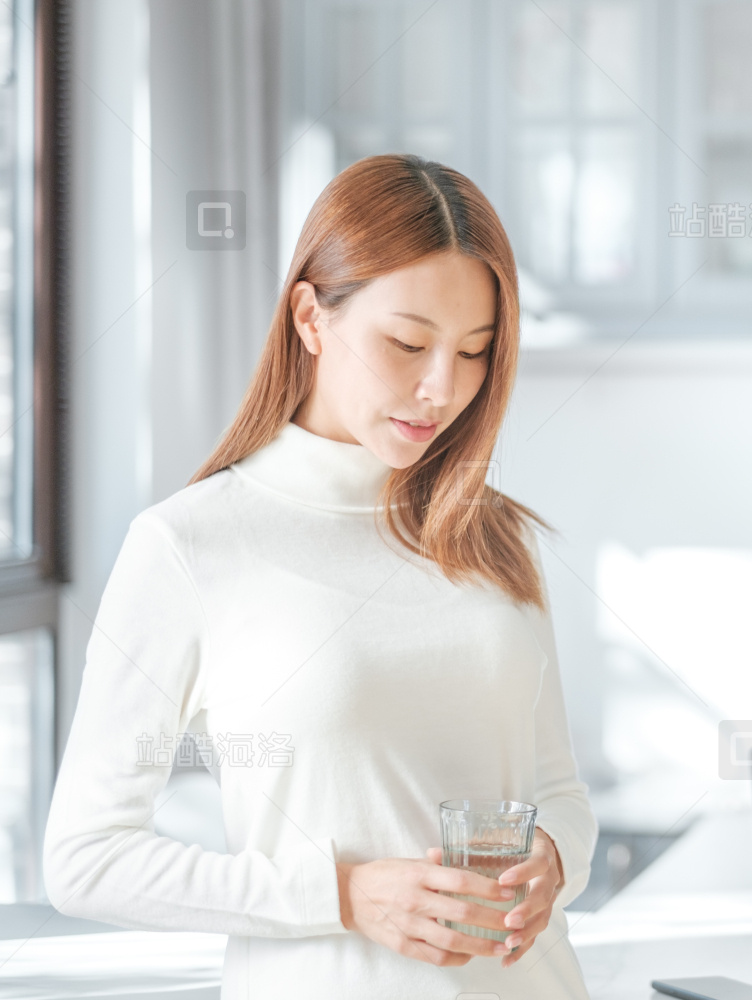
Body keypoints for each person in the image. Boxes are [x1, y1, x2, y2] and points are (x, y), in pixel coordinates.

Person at [42, 154, 596, 999]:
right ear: (310, 315)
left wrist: (557, 856)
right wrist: (337, 895)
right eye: (407, 343)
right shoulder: (190, 546)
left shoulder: (494, 536)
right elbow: (86, 858)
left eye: (475, 351)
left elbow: (556, 788)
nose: (440, 388)